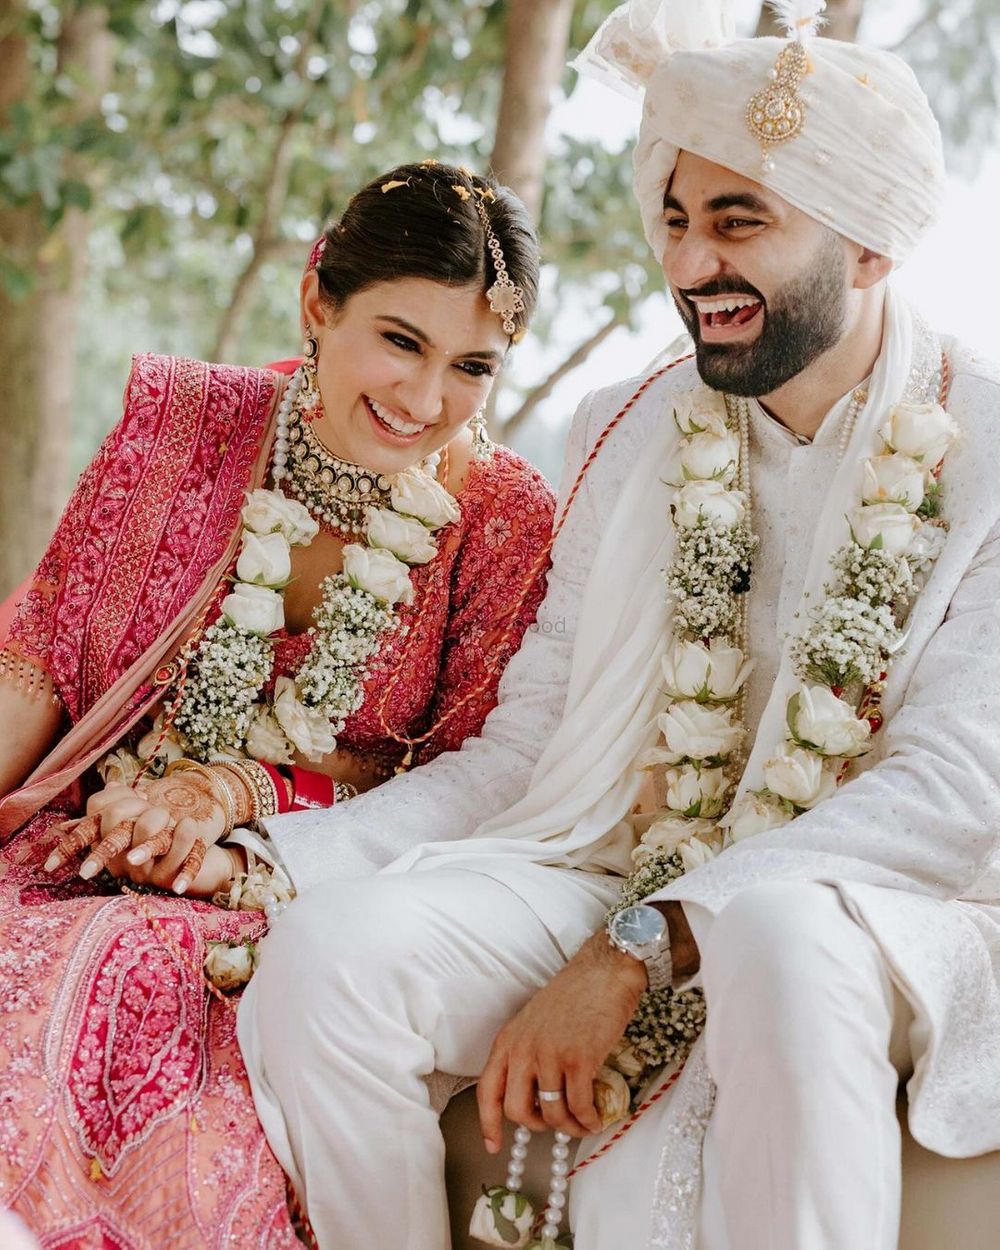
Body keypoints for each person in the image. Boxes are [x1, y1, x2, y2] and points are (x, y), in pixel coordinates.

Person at [238, 4, 1000, 1249]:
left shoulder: (990, 439)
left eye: (740, 221)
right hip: (615, 857)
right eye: (677, 220)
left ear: (867, 246)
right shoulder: (629, 422)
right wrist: (273, 858)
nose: (692, 264)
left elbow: (949, 795)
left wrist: (636, 948)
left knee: (778, 925)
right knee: (329, 959)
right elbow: (527, 745)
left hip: (894, 911)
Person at [0, 161, 555, 1248]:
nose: (426, 399)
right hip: (74, 843)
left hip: (288, 898)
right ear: (318, 303)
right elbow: (43, 656)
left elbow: (459, 775)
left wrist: (233, 799)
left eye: (472, 365)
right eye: (400, 339)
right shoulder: (190, 431)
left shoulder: (503, 521)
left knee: (105, 975)